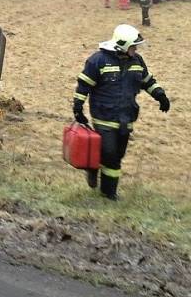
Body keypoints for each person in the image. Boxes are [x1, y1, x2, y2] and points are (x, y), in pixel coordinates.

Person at [72, 24, 170, 201]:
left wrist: (160, 96)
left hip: (126, 117)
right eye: (133, 46)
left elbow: (147, 81)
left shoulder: (137, 61)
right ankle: (109, 194)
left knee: (118, 155)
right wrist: (78, 107)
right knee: (110, 154)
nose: (136, 49)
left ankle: (94, 167)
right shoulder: (98, 60)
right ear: (123, 45)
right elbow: (84, 84)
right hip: (104, 115)